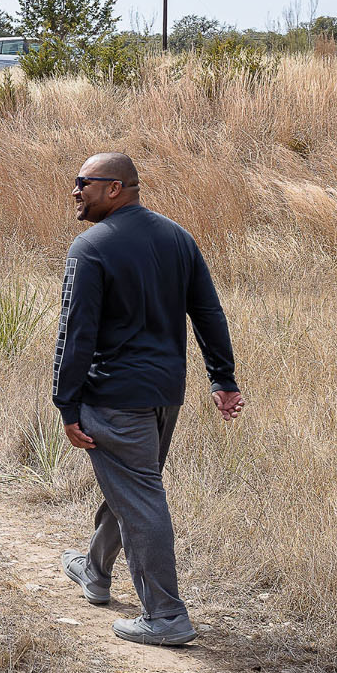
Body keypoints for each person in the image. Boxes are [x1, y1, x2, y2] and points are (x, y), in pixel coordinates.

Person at [52, 152, 242, 646]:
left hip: (114, 397)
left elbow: (76, 333)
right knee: (133, 483)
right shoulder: (177, 237)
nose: (74, 191)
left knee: (140, 497)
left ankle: (165, 615)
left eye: (82, 183)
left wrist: (65, 403)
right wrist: (222, 377)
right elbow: (208, 311)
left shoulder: (89, 247)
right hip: (164, 395)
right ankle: (94, 570)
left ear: (115, 188)